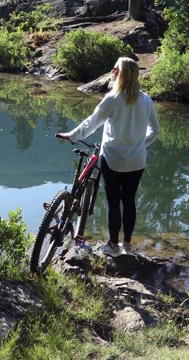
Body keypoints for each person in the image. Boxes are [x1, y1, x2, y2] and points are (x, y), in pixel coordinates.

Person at [56, 57, 161, 257]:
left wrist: (72, 136)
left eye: (115, 69)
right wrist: (140, 144)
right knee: (129, 201)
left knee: (114, 202)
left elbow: (91, 123)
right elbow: (155, 130)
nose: (112, 72)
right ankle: (127, 246)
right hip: (137, 161)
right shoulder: (146, 99)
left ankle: (113, 246)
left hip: (112, 159)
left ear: (120, 74)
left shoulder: (113, 98)